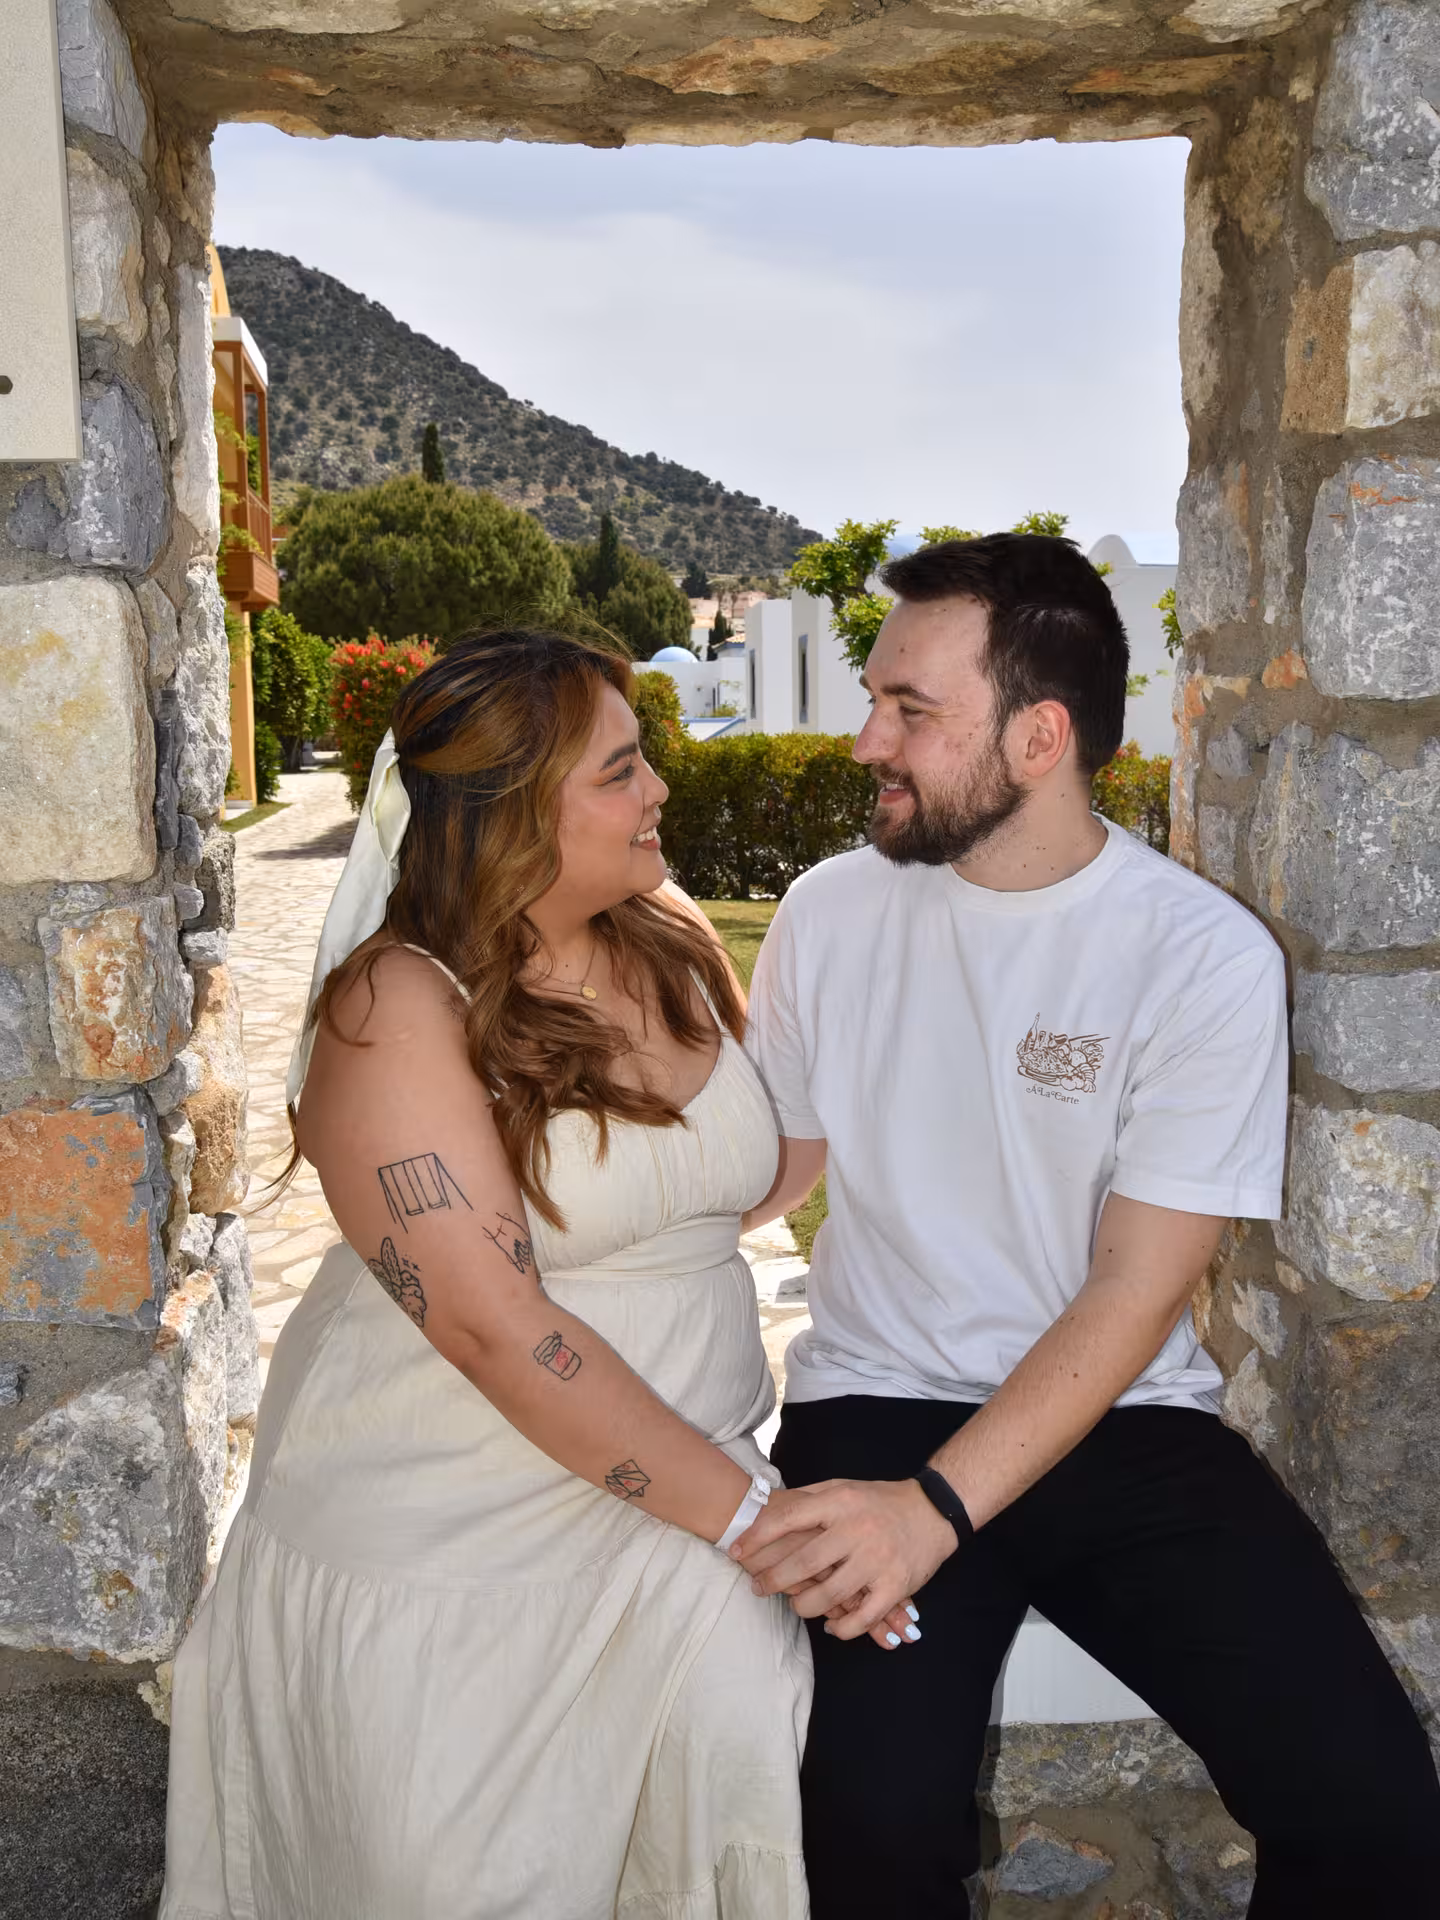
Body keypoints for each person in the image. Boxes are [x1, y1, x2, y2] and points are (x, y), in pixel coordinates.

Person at [161, 630, 915, 1920]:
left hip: (672, 1498)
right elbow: (500, 1332)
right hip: (454, 1532)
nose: (660, 791)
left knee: (730, 1773)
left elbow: (731, 1181)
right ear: (514, 814)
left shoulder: (667, 932)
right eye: (622, 771)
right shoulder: (397, 1008)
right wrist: (752, 1524)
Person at [736, 535, 1440, 1918]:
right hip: (878, 1407)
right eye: (877, 697)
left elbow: (1134, 1296)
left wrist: (933, 1516)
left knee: (1374, 1818)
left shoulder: (1197, 957)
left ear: (1040, 736)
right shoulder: (826, 915)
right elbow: (772, 1164)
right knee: (871, 1830)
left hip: (1119, 1416)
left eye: (911, 711)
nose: (868, 738)